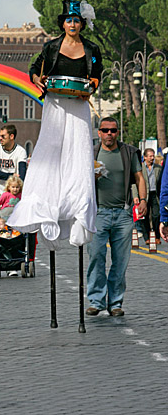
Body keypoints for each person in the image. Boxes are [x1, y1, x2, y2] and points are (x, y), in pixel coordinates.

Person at [7, 0, 102, 250]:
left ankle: (78, 209)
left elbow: (97, 75)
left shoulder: (92, 49)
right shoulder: (51, 47)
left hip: (79, 105)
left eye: (77, 21)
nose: (72, 24)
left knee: (79, 154)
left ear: (82, 24)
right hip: (55, 104)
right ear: (63, 23)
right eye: (69, 20)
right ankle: (44, 203)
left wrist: (91, 86)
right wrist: (38, 79)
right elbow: (34, 69)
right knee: (50, 150)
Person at [86, 117, 147, 317]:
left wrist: (143, 199)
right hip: (98, 213)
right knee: (96, 256)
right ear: (99, 133)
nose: (109, 134)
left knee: (120, 261)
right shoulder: (90, 153)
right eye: (105, 130)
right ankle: (96, 300)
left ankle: (115, 303)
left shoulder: (128, 152)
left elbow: (139, 178)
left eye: (113, 130)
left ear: (117, 132)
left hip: (123, 213)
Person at [132, 148, 162, 245]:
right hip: (144, 194)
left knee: (156, 215)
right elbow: (134, 183)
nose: (152, 158)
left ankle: (157, 236)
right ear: (145, 157)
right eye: (150, 156)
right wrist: (136, 196)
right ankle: (147, 237)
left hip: (155, 194)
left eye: (153, 156)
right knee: (144, 215)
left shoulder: (158, 168)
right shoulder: (140, 168)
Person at [0, 124, 27, 195]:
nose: (0, 138)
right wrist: (12, 176)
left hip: (13, 193)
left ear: (11, 136)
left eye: (3, 136)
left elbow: (22, 174)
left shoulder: (21, 151)